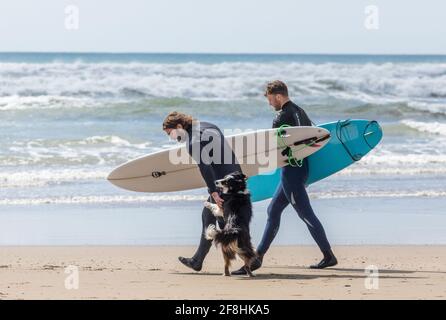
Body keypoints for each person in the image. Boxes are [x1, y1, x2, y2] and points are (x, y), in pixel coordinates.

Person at [232, 80, 338, 275]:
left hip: (291, 172)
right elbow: (312, 140)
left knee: (306, 214)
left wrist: (250, 168)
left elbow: (274, 151)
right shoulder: (300, 111)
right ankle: (257, 258)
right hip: (302, 168)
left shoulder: (281, 116)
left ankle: (328, 255)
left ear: (279, 96)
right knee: (274, 209)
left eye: (271, 99)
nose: (270, 104)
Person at [162, 111, 242, 271]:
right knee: (209, 215)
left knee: (227, 224)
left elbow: (205, 167)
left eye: (170, 133)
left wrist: (214, 191)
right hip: (235, 176)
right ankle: (198, 260)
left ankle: (251, 259)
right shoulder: (208, 126)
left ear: (179, 126)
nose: (170, 137)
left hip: (224, 184)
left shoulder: (192, 142)